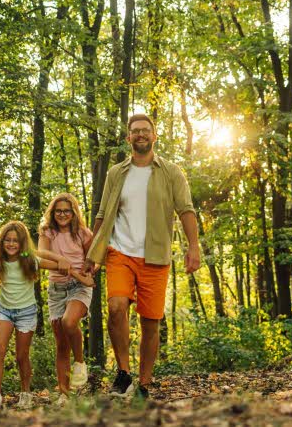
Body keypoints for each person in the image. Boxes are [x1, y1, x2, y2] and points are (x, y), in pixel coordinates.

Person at [84, 113, 201, 400]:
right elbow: (102, 214)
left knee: (150, 323)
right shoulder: (116, 173)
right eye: (135, 131)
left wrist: (193, 247)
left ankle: (144, 384)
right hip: (119, 252)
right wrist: (91, 253)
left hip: (155, 256)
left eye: (145, 130)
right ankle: (123, 373)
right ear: (128, 138)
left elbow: (186, 210)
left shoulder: (171, 172)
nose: (140, 135)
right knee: (116, 307)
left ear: (154, 135)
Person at [0, 221, 83, 410]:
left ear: (22, 244)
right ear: (2, 241)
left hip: (26, 313)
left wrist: (78, 275)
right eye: (7, 240)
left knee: (22, 355)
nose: (11, 244)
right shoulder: (0, 261)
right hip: (4, 310)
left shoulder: (30, 260)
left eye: (15, 241)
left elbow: (56, 266)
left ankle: (26, 392)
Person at [37, 193, 96, 406]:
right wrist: (60, 260)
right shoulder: (47, 232)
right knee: (61, 344)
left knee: (69, 322)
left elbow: (93, 259)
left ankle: (80, 362)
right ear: (53, 213)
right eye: (58, 211)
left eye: (67, 211)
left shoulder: (82, 232)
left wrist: (89, 272)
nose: (62, 214)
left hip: (79, 287)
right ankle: (63, 394)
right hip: (56, 290)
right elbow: (41, 255)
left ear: (73, 213)